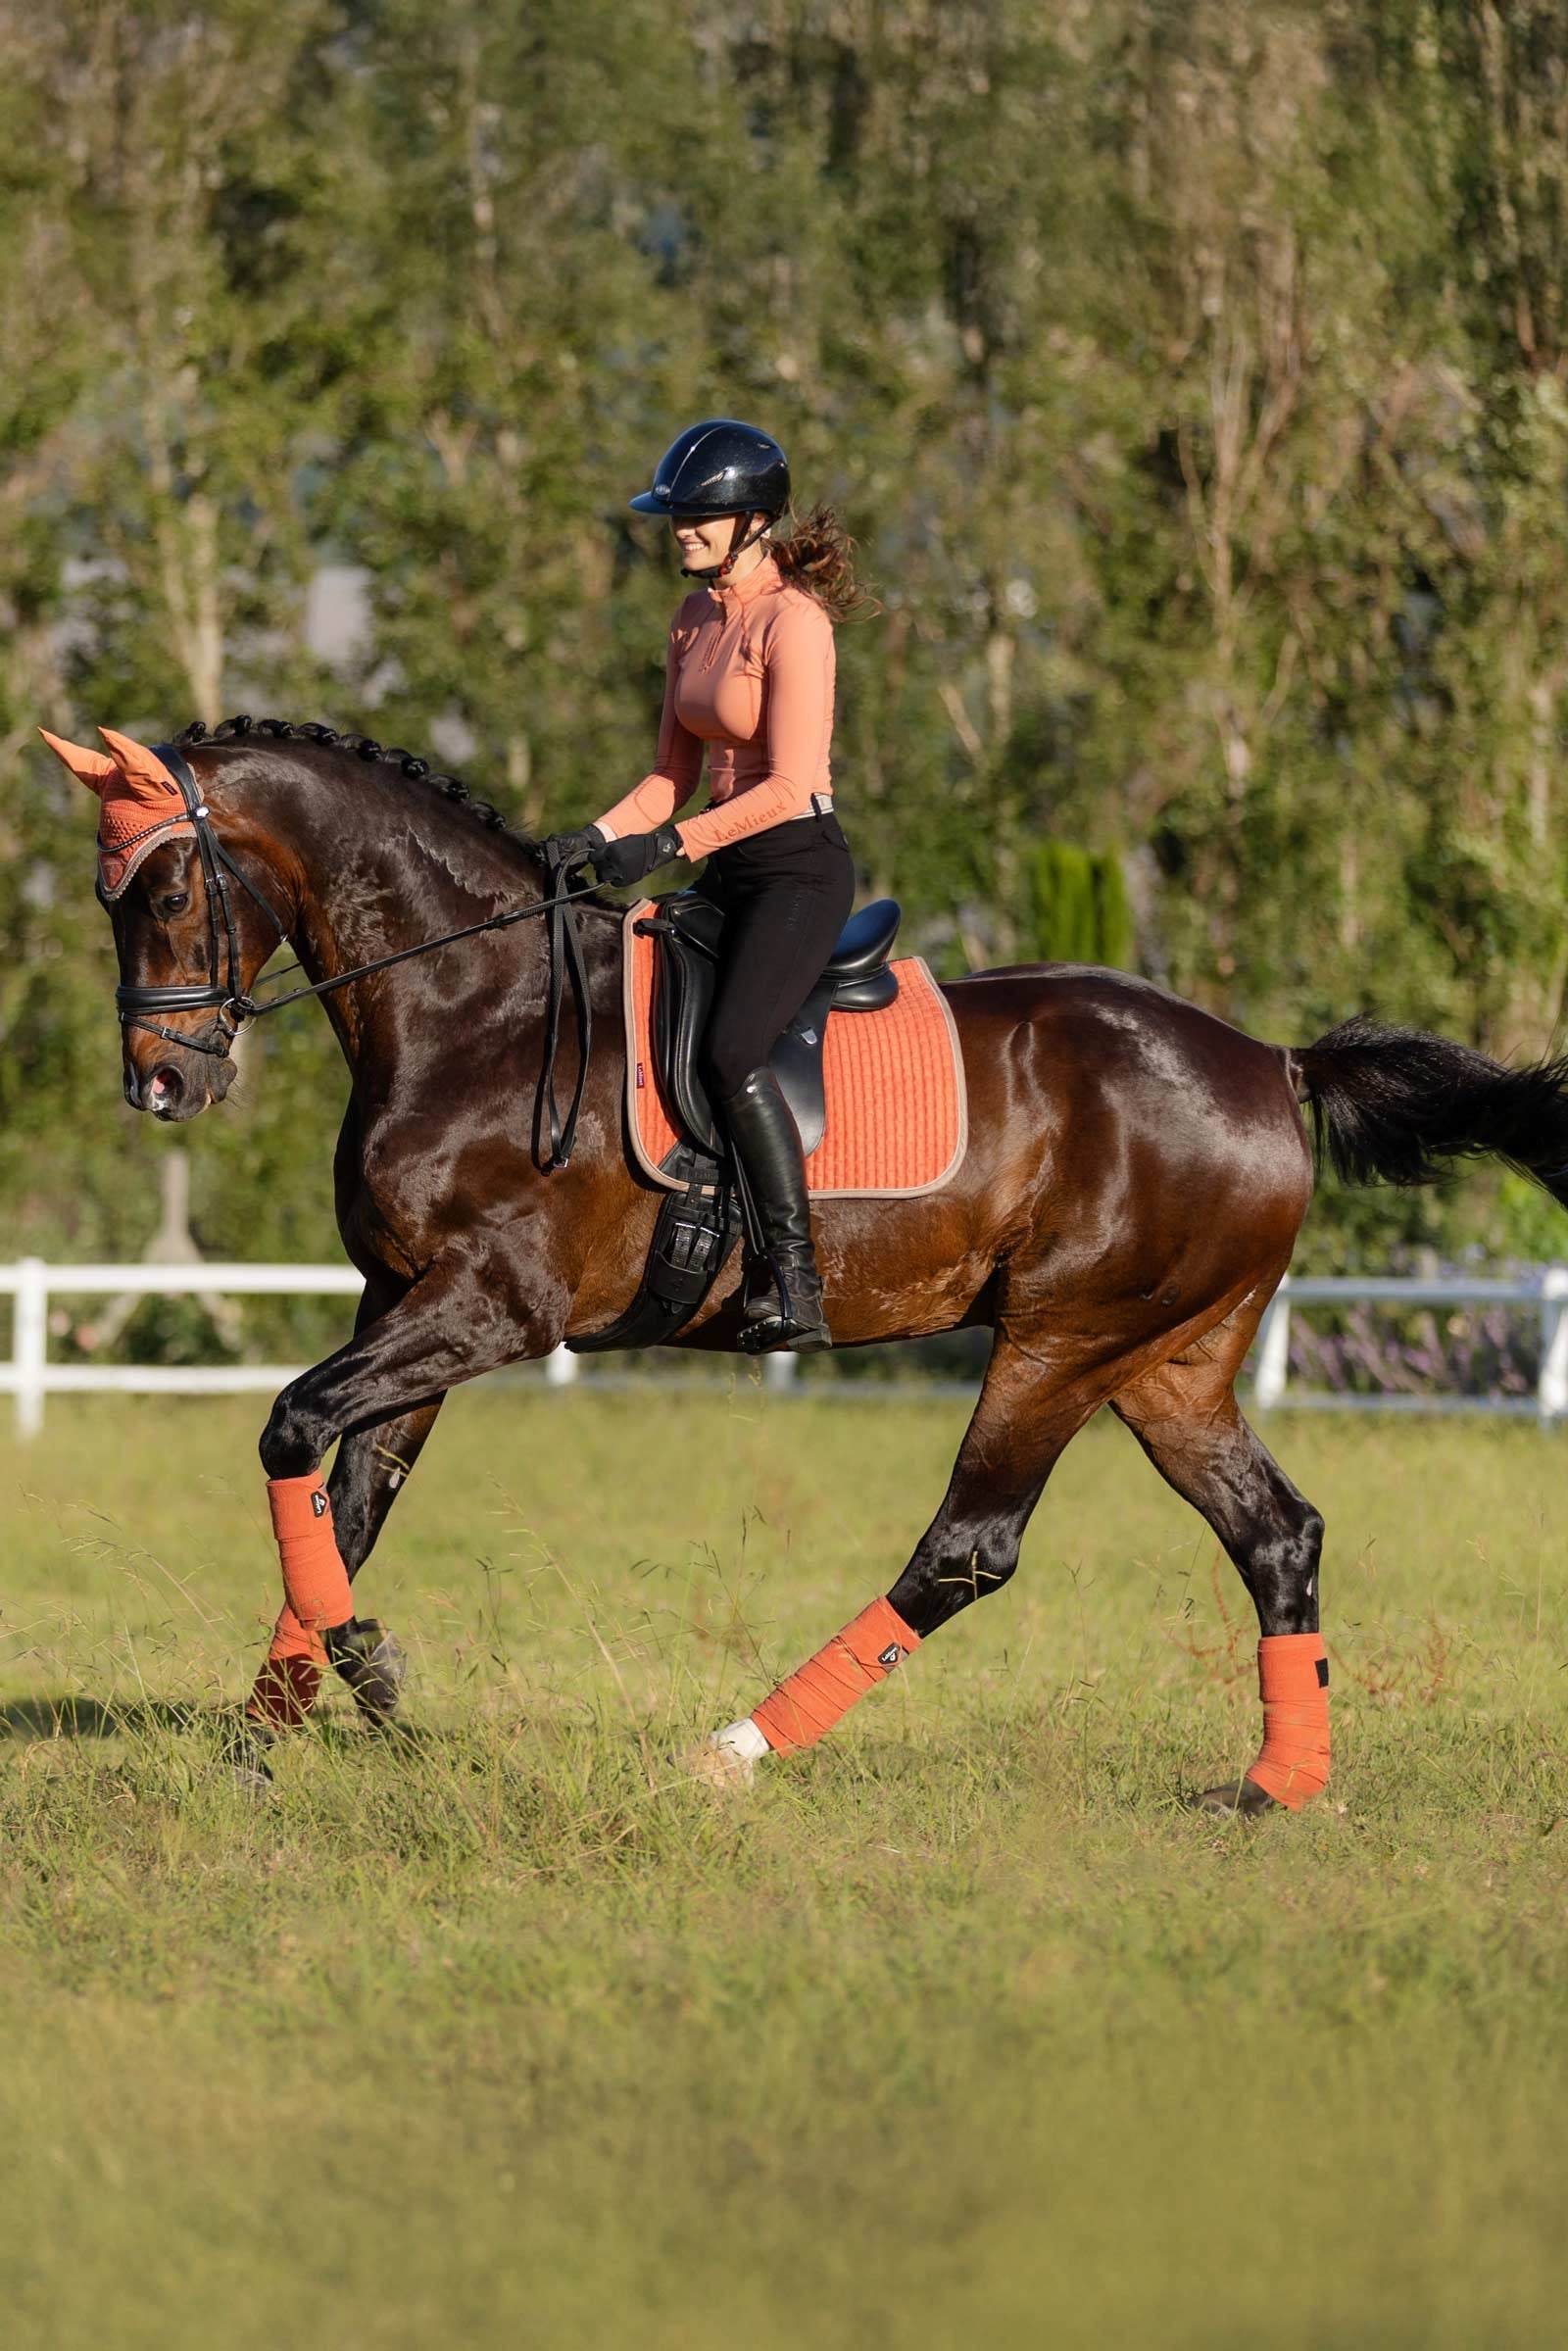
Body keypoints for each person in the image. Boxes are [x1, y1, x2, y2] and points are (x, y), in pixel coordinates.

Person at [547, 419, 861, 1352]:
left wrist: (669, 844)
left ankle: (794, 1282)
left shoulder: (795, 622)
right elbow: (665, 778)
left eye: (698, 516)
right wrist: (595, 836)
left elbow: (792, 784)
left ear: (753, 523)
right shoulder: (691, 619)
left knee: (729, 1051)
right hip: (725, 860)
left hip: (797, 872)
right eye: (676, 516)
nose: (679, 529)